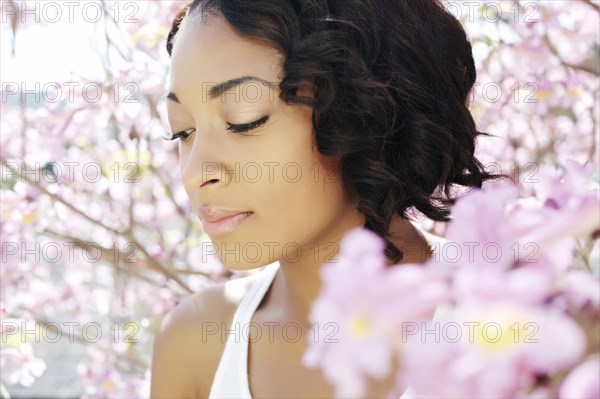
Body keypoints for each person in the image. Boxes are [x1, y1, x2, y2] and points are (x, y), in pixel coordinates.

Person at [151, 0, 497, 397]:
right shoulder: (195, 342)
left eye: (244, 121)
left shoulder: (503, 316)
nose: (196, 172)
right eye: (183, 132)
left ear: (365, 111)